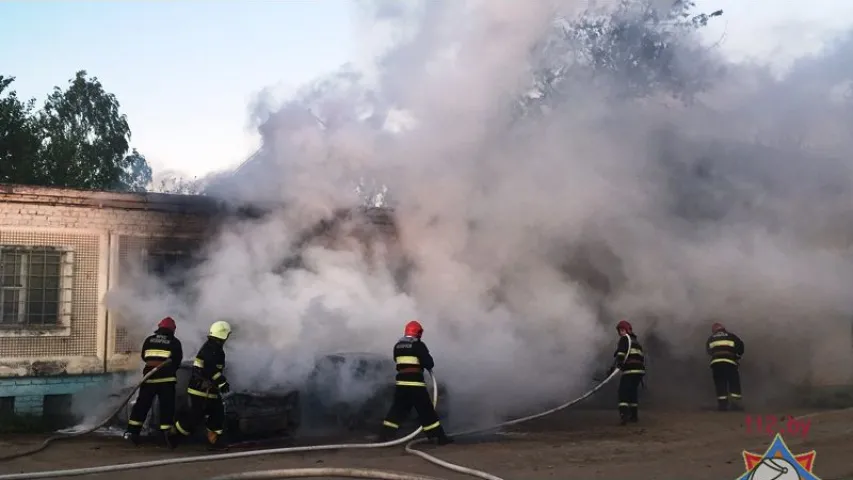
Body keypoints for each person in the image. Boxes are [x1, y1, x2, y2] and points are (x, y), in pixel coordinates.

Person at [378, 320, 453, 445]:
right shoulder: (418, 345)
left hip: (401, 384)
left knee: (397, 410)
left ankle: (384, 436)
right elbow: (429, 363)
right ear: (417, 332)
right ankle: (438, 438)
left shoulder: (397, 346)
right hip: (415, 384)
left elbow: (397, 361)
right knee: (426, 411)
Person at [169, 320, 233, 450]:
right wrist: (222, 382)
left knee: (217, 414)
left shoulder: (213, 347)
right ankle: (173, 434)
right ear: (223, 335)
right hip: (201, 390)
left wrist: (219, 383)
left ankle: (214, 441)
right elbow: (210, 369)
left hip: (208, 390)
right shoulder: (213, 350)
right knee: (195, 417)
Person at [123, 316, 183, 446]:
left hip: (149, 379)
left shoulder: (149, 340)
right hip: (167, 380)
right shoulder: (174, 342)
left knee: (142, 405)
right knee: (166, 407)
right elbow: (177, 361)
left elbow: (145, 357)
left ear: (159, 327)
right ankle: (165, 435)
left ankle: (132, 432)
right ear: (172, 330)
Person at [609, 319, 646, 425]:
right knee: (632, 393)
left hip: (629, 370)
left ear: (626, 330)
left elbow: (621, 354)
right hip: (639, 372)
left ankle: (623, 415)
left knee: (623, 392)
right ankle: (634, 416)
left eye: (621, 330)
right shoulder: (636, 342)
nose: (620, 332)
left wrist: (619, 365)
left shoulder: (624, 339)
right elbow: (640, 357)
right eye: (620, 330)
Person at [706, 322, 745, 411]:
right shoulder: (731, 336)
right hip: (730, 363)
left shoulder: (711, 338)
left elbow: (708, 351)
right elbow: (741, 346)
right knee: (733, 383)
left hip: (716, 364)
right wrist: (737, 356)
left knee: (720, 383)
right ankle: (735, 405)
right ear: (723, 329)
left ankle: (722, 406)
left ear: (714, 331)